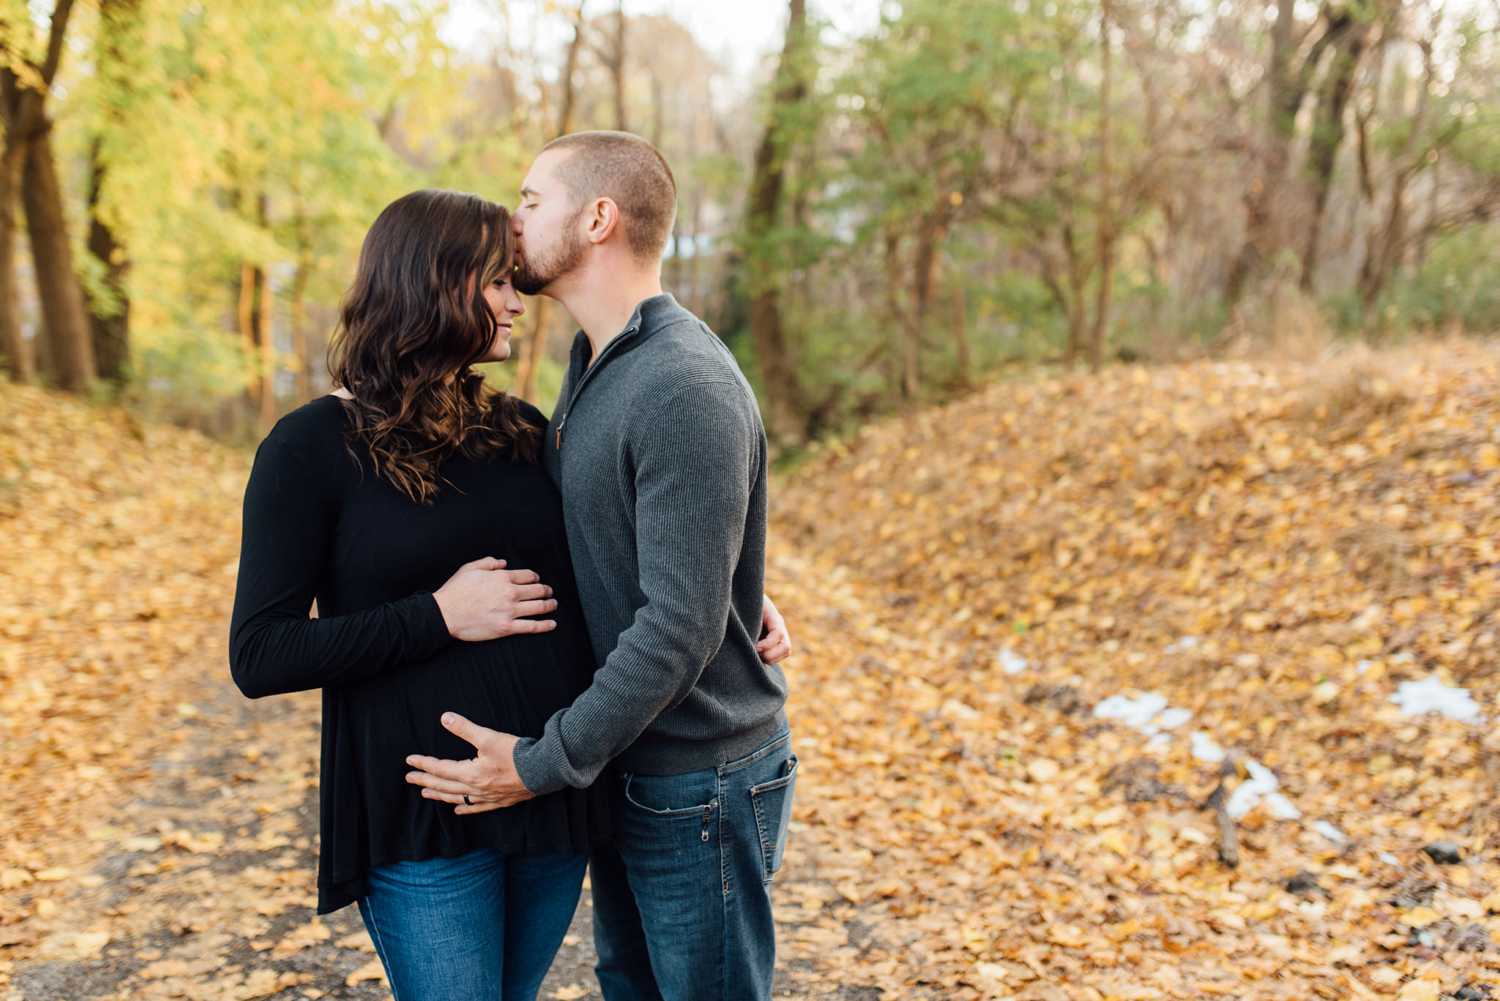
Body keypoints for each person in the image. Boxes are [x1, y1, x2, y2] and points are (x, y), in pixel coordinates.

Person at [228, 188, 792, 1001]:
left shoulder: (524, 428)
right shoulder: (310, 447)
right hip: (426, 808)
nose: (512, 301)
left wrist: (737, 592)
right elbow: (260, 653)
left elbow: (619, 545)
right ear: (430, 283)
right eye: (494, 281)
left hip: (547, 799)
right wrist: (437, 616)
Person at [404, 132, 796, 1001]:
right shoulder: (599, 363)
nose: (515, 218)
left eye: (533, 199)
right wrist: (738, 585)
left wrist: (541, 763)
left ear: (599, 218)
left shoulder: (680, 381)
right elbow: (643, 540)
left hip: (701, 779)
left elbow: (680, 625)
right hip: (636, 763)